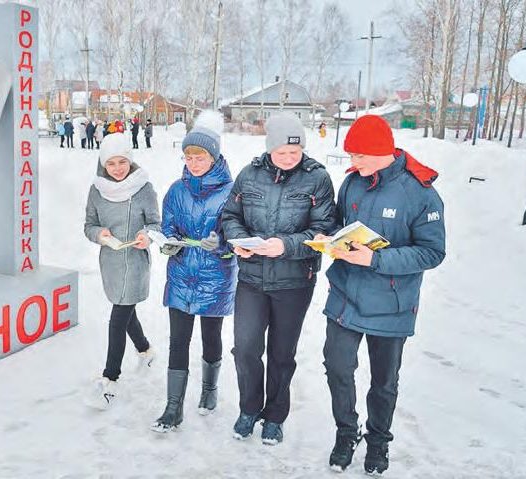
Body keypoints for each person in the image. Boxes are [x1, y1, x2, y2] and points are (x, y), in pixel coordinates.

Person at [320, 115, 445, 475]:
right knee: (337, 368)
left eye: (359, 155)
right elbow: (339, 223)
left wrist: (376, 258)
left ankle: (378, 442)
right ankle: (346, 433)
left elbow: (432, 252)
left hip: (392, 301)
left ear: (382, 152)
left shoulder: (420, 192)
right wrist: (330, 239)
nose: (352, 163)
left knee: (383, 381)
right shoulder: (352, 185)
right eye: (351, 155)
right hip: (345, 293)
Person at [221, 113, 337, 445]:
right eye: (282, 152)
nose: (289, 158)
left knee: (282, 354)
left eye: (295, 152)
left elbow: (324, 230)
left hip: (294, 281)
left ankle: (274, 416)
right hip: (252, 279)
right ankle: (248, 408)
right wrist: (239, 241)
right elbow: (230, 216)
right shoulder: (249, 175)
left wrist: (285, 245)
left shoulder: (317, 179)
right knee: (245, 349)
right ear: (270, 148)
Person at [151, 111, 238, 433]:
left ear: (213, 156)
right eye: (188, 156)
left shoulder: (231, 191)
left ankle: (209, 390)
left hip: (215, 278)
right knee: (178, 340)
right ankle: (173, 408)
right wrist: (169, 242)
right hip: (181, 274)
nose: (193, 161)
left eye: (199, 156)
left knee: (211, 337)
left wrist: (221, 244)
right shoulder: (176, 190)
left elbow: (237, 235)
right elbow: (168, 225)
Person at [83, 133, 161, 410]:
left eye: (122, 162)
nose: (118, 168)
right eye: (111, 163)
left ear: (130, 160)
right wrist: (99, 234)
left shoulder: (144, 188)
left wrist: (146, 235)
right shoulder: (97, 189)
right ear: (104, 165)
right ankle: (145, 349)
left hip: (135, 262)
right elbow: (88, 225)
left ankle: (110, 379)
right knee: (126, 312)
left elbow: (155, 223)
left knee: (118, 319)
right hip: (111, 262)